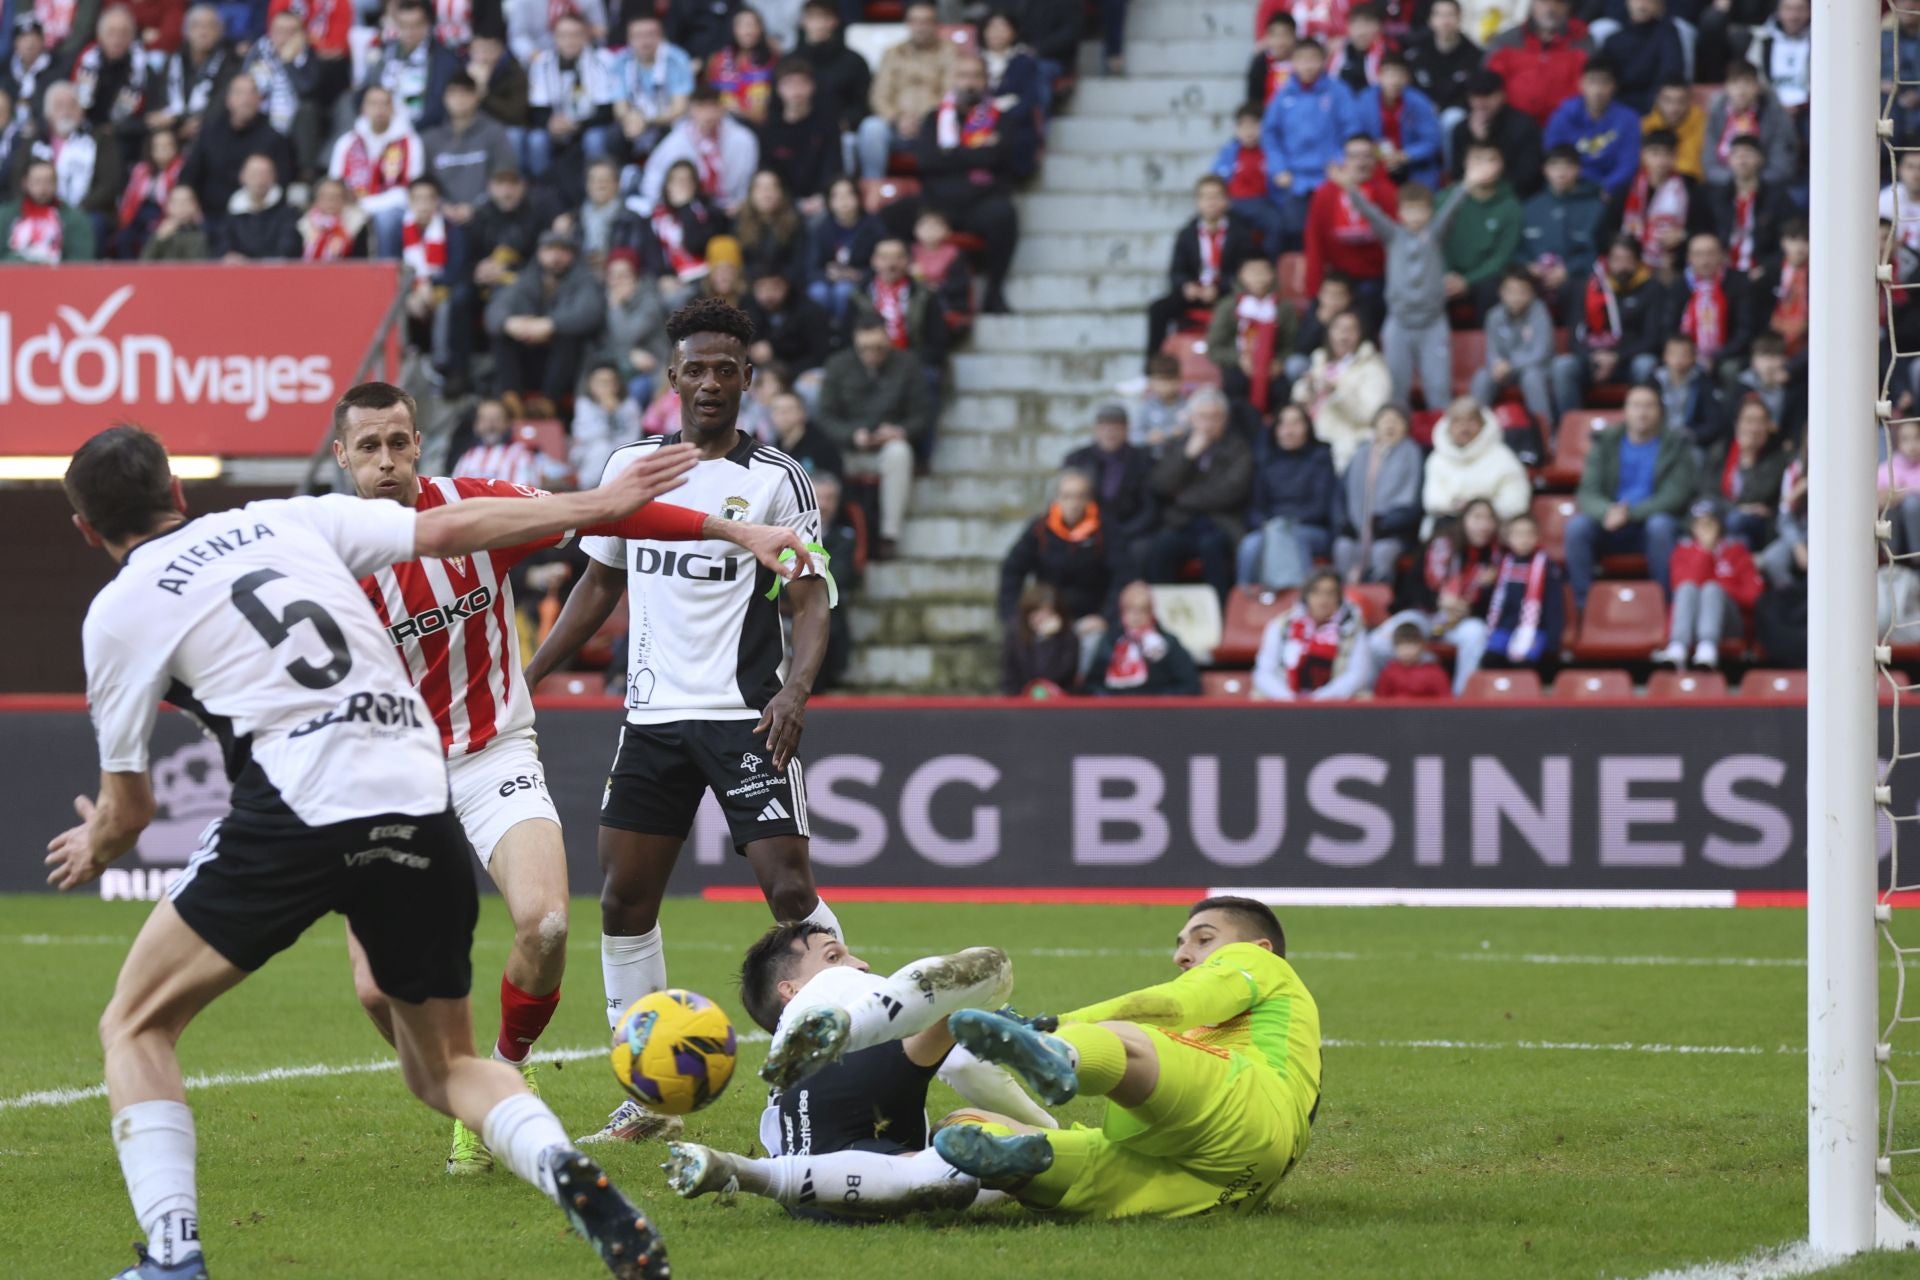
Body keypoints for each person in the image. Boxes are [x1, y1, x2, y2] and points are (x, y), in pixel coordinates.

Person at [51, 424, 690, 1280]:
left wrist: (96, 842)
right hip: (415, 785)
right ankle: (569, 1173)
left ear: (87, 530)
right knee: (449, 1066)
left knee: (136, 1022)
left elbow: (131, 811)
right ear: (177, 491)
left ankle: (173, 1255)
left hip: (301, 798)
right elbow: (452, 528)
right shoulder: (287, 519)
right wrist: (601, 504)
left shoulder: (120, 611)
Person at [327, 381, 803, 1168]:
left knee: (547, 925)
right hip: (383, 777)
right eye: (369, 447)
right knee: (378, 990)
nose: (387, 461)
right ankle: (469, 1089)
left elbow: (605, 514)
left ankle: (505, 1072)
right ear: (342, 456)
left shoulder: (478, 510)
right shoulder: (324, 556)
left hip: (491, 753)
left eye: (399, 443)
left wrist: (730, 528)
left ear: (419, 445)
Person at [523, 296, 841, 1146]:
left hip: (745, 716)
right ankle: (650, 1094)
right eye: (694, 369)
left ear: (747, 379)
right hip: (653, 716)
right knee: (624, 899)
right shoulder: (630, 466)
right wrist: (530, 676)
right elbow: (598, 585)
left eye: (724, 369)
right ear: (671, 378)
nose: (708, 382)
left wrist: (796, 691)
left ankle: (842, 1052)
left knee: (789, 892)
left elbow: (810, 599)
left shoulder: (779, 479)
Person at [753, 898, 1319, 1224]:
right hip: (1230, 1189)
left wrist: (1055, 1026)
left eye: (1203, 938)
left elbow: (1178, 1004)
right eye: (1184, 941)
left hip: (1244, 1116)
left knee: (1122, 1053)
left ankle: (1043, 1084)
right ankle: (1007, 1136)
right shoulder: (844, 1010)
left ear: (1258, 948)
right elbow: (1176, 1005)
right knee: (977, 1130)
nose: (1182, 953)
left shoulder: (1263, 966)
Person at [665, 923, 1053, 1217]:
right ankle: (852, 1028)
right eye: (834, 955)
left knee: (947, 1174)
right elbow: (966, 1064)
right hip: (857, 1078)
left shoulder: (801, 1037)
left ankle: (749, 1173)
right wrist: (1043, 1122)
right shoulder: (826, 988)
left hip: (816, 1169)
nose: (859, 965)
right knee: (991, 965)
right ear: (791, 990)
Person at [1333, 159, 1465, 410]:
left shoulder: (1435, 235)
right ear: (1400, 213)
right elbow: (1370, 212)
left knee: (1438, 390)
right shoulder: (1392, 235)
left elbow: (1451, 210)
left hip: (1432, 324)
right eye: (1409, 210)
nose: (1415, 216)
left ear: (1430, 212)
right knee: (1395, 390)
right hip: (1399, 323)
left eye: (1421, 210)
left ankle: (1440, 444)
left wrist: (1467, 185)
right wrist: (1350, 188)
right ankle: (1400, 443)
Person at [899, 52, 1021, 313]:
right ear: (953, 79)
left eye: (976, 76)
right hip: (938, 203)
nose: (969, 82)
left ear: (986, 81)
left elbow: (1002, 159)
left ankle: (994, 293)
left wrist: (951, 153)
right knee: (891, 214)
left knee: (1004, 215)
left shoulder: (1001, 118)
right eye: (963, 76)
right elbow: (926, 161)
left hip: (980, 202)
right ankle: (901, 288)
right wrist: (976, 154)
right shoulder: (935, 118)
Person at [1566, 382, 1697, 605]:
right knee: (1577, 527)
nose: (1642, 412)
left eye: (1649, 406)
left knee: (1661, 526)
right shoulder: (1605, 441)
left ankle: (1665, 606)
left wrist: (1629, 514)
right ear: (1625, 411)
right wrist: (1607, 511)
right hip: (1610, 524)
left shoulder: (1675, 444)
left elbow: (1675, 495)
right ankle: (1584, 608)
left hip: (1648, 526)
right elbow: (1587, 491)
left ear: (1660, 412)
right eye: (1636, 405)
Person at [1144, 389, 1253, 600]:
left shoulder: (1238, 448)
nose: (1208, 423)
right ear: (1191, 418)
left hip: (1221, 524)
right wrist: (1188, 456)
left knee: (1211, 547)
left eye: (1215, 417)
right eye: (1203, 417)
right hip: (1181, 523)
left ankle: (1219, 614)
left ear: (1225, 419)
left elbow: (1230, 492)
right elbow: (1160, 485)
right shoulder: (1177, 446)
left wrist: (1181, 498)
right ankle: (1165, 614)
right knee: (1161, 546)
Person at [1146, 174, 1259, 367]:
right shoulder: (1187, 233)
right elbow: (1176, 271)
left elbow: (1244, 271)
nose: (1211, 203)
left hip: (1226, 295)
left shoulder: (1241, 233)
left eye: (1216, 196)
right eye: (1206, 197)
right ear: (1197, 202)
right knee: (1158, 309)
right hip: (1195, 293)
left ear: (1226, 200)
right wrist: (1186, 286)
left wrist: (1221, 287)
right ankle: (1152, 370)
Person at [486, 227, 607, 407]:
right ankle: (511, 399)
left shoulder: (585, 280)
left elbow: (589, 313)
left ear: (572, 255)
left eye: (562, 251)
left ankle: (548, 403)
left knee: (568, 337)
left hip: (568, 364)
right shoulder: (526, 279)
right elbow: (494, 312)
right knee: (502, 337)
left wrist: (550, 325)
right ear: (539, 253)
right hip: (529, 356)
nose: (556, 257)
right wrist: (510, 323)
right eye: (550, 250)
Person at [1550, 234, 1667, 411]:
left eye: (1628, 259)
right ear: (1607, 261)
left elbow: (1652, 339)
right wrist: (1594, 357)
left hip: (1628, 361)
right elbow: (1575, 337)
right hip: (1592, 360)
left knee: (1646, 364)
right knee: (1563, 366)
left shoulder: (1652, 289)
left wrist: (1617, 357)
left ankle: (1643, 425)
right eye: (1617, 259)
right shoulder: (1589, 288)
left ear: (1638, 261)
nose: (1622, 266)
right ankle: (1568, 427)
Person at [1259, 38, 1355, 248]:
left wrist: (1341, 162)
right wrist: (1279, 168)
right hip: (1295, 179)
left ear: (1323, 61)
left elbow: (1352, 130)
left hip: (1331, 176)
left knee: (1333, 234)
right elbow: (1269, 134)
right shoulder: (1283, 94)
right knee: (1296, 235)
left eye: (1313, 59)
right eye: (1302, 60)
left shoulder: (1338, 91)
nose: (1308, 66)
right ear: (1294, 62)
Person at [1237, 404, 1337, 589]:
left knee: (1288, 537)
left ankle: (1296, 598)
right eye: (1282, 424)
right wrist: (1270, 524)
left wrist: (1286, 523)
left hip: (1310, 528)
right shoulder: (1265, 459)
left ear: (1307, 427)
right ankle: (1246, 601)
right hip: (1270, 527)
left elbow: (1321, 506)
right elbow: (1255, 507)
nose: (1288, 430)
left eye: (1295, 423)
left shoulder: (1321, 457)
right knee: (1250, 545)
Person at [999, 467, 1111, 630]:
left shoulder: (1104, 530)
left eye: (1080, 496)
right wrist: (1015, 617)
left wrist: (1105, 617)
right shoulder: (1040, 529)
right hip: (1047, 615)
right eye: (1067, 496)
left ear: (1089, 500)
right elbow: (1012, 569)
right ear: (1056, 499)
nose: (1073, 504)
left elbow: (1121, 575)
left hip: (1090, 618)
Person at [1653, 502, 1761, 669]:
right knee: (1688, 588)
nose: (1704, 529)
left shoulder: (1737, 551)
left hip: (1729, 622)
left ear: (1720, 526)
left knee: (1711, 589)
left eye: (1709, 524)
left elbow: (1754, 596)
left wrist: (1720, 588)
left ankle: (1708, 646)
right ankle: (1677, 646)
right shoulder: (1682, 551)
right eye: (1698, 524)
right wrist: (1705, 552)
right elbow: (1682, 586)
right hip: (1690, 621)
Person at [856, 0, 952, 180]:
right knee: (871, 127)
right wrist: (897, 119)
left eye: (926, 21)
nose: (920, 27)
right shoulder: (892, 52)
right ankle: (872, 185)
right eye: (915, 21)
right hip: (895, 125)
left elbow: (951, 93)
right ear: (907, 24)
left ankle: (938, 192)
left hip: (933, 125)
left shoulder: (949, 52)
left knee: (949, 130)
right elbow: (879, 95)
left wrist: (924, 119)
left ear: (936, 24)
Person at [524, 13, 614, 202]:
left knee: (595, 139)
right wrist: (551, 124)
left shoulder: (602, 61)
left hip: (588, 126)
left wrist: (577, 124)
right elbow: (537, 109)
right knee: (536, 140)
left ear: (586, 36)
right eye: (563, 35)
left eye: (575, 34)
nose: (569, 41)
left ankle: (596, 192)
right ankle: (542, 195)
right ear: (555, 37)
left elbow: (606, 109)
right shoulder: (542, 63)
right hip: (555, 127)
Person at [16, 79, 122, 236]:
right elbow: (18, 178)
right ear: (48, 113)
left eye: (72, 105)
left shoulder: (100, 140)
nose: (66, 111)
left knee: (93, 223)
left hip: (86, 211)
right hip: (37, 207)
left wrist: (76, 211)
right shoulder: (33, 142)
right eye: (59, 106)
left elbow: (109, 184)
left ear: (81, 112)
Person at [327, 83, 422, 258]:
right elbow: (334, 185)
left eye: (384, 103)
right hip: (351, 206)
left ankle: (385, 277)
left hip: (393, 208)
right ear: (363, 108)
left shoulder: (410, 142)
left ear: (393, 108)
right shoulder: (346, 143)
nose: (379, 110)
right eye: (373, 103)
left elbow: (412, 189)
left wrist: (367, 206)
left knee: (386, 221)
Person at [1302, 132, 1396, 306]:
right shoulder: (1324, 194)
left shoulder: (1388, 192)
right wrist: (1314, 289)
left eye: (1367, 156)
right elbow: (1314, 241)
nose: (1361, 162)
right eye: (1354, 156)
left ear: (1375, 161)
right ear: (1344, 160)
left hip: (1376, 278)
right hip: (1338, 279)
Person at [1333, 404, 1423, 583]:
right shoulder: (1361, 453)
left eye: (1397, 421)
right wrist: (1344, 521)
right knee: (1343, 547)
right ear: (1375, 425)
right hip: (1358, 528)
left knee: (1383, 552)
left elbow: (1414, 500)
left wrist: (1388, 523)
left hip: (1393, 532)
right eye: (1385, 420)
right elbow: (1341, 494)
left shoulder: (1411, 453)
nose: (1390, 425)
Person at [1291, 309, 1390, 471]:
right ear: (1329, 332)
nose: (1343, 335)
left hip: (1346, 445)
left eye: (1350, 329)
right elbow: (1298, 401)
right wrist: (1306, 388)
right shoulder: (1319, 359)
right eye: (1338, 328)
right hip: (1310, 442)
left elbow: (1372, 414)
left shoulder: (1374, 368)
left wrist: (1336, 394)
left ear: (1361, 335)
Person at [1253, 568, 1373, 699]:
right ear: (1306, 595)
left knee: (1364, 696)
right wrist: (1289, 700)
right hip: (1285, 700)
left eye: (1330, 593)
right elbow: (1264, 672)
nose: (1323, 599)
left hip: (1335, 704)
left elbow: (1358, 674)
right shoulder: (1282, 625)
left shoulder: (1353, 627)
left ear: (1339, 598)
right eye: (1316, 592)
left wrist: (1318, 700)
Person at [637, 85, 757, 216]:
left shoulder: (743, 140)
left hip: (732, 210)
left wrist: (742, 203)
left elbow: (749, 180)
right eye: (702, 107)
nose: (708, 114)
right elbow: (652, 181)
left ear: (722, 109)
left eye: (713, 107)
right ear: (691, 110)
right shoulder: (674, 142)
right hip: (689, 211)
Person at [1064, 403, 1158, 571]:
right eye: (1105, 427)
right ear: (1096, 430)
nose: (1110, 433)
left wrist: (1122, 533)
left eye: (1116, 427)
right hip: (1088, 527)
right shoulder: (1077, 459)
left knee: (1142, 551)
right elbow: (1066, 502)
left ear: (1127, 430)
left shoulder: (1143, 460)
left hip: (1129, 530)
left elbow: (1150, 508)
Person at [1521, 143, 1606, 321]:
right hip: (1534, 277)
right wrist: (1530, 268)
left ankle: (1576, 341)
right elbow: (1517, 250)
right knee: (1514, 286)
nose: (1561, 172)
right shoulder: (1530, 207)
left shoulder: (1595, 207)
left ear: (1578, 169)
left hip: (1575, 278)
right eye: (1554, 165)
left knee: (1578, 287)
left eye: (1568, 166)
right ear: (1544, 170)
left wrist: (1568, 270)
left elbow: (1598, 252)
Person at [1442, 141, 1524, 318]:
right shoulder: (1445, 199)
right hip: (1446, 275)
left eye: (1491, 160)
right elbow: (1433, 241)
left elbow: (1502, 257)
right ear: (1465, 163)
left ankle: (1491, 343)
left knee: (1493, 288)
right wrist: (1445, 274)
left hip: (1483, 278)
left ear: (1501, 165)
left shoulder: (1510, 206)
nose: (1484, 166)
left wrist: (1467, 281)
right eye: (1477, 159)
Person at [423, 70, 517, 226]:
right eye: (454, 94)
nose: (459, 100)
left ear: (476, 97)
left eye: (465, 94)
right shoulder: (429, 139)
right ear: (445, 98)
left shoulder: (495, 133)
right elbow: (424, 183)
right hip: (440, 218)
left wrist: (475, 208)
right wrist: (442, 206)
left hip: (487, 217)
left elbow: (505, 176)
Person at [1205, 255, 1297, 414]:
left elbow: (1292, 343)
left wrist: (1279, 361)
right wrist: (1238, 359)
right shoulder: (1228, 306)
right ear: (1241, 276)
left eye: (1263, 272)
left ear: (1272, 275)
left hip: (1272, 366)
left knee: (1283, 389)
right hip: (1238, 365)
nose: (1258, 278)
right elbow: (1215, 346)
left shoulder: (1284, 308)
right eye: (1253, 272)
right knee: (1234, 385)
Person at [1483, 0, 1591, 129]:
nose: (1551, 9)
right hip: (1512, 127)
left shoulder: (1582, 41)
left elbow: (1591, 86)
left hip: (1568, 126)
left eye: (1558, 3)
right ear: (1532, 5)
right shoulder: (1507, 41)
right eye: (1544, 2)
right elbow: (1488, 85)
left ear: (1567, 8)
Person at [1543, 58, 1640, 200]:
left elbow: (1628, 164)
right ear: (1581, 84)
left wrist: (1605, 187)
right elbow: (1553, 157)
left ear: (1614, 86)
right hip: (1570, 186)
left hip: (1610, 191)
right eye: (1592, 82)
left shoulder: (1629, 119)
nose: (1598, 90)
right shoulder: (1562, 116)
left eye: (1604, 83)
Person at [1481, 511, 1566, 672]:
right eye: (1518, 534)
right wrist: (1486, 586)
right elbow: (1493, 601)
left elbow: (1554, 606)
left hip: (1536, 629)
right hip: (1504, 627)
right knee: (1490, 659)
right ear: (1508, 538)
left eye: (1529, 534)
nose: (1524, 539)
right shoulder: (1502, 564)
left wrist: (1554, 639)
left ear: (1537, 537)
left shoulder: (1547, 566)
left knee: (1522, 665)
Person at [1086, 581, 1202, 697]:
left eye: (1142, 610)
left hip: (1157, 712)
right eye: (1130, 609)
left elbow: (1190, 686)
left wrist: (1158, 700)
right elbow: (1092, 685)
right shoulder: (1110, 642)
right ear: (1121, 613)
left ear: (1152, 612)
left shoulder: (1168, 643)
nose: (1136, 616)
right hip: (1113, 711)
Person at [1423, 396, 1529, 523]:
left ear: (1483, 424)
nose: (1464, 427)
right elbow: (1432, 499)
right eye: (1457, 421)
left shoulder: (1503, 457)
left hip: (1492, 526)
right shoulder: (1437, 459)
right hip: (1448, 524)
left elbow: (1516, 502)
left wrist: (1482, 510)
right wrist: (1453, 505)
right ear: (1448, 426)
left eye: (1471, 420)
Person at [1472, 268, 1556, 427]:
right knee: (1482, 376)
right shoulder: (1494, 316)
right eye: (1510, 291)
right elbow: (1492, 351)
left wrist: (1510, 365)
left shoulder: (1540, 312)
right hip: (1504, 372)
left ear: (1532, 293)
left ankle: (1545, 431)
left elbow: (1540, 353)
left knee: (1532, 377)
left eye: (1522, 291)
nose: (1515, 297)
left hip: (1536, 369)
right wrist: (1497, 364)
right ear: (1501, 292)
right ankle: (1475, 427)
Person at [361, 0, 461, 132]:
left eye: (415, 26)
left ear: (427, 24)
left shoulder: (444, 60)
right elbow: (367, 90)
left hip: (423, 130)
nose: (409, 32)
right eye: (403, 26)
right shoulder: (384, 52)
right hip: (381, 128)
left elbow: (438, 108)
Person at [1703, 395, 1788, 550]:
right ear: (1737, 424)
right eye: (1749, 421)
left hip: (1761, 528)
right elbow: (1708, 493)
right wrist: (1738, 508)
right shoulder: (1721, 451)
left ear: (1768, 426)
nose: (1754, 428)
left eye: (1760, 422)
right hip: (1722, 519)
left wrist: (1748, 458)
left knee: (1737, 522)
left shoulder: (1777, 458)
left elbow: (1757, 495)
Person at [1614, 127, 1702, 274]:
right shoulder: (1627, 188)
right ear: (1643, 155)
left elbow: (1704, 230)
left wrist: (1683, 235)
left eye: (1667, 154)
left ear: (1675, 157)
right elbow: (1609, 230)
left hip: (1678, 264)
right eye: (1655, 154)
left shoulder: (1690, 189)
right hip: (1631, 266)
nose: (1661, 161)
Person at [758, 56, 841, 212]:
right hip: (781, 202)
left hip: (819, 201)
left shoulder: (827, 124)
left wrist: (822, 197)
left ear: (812, 86)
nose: (796, 90)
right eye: (789, 84)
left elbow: (833, 167)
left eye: (802, 83)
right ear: (778, 89)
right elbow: (767, 171)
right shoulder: (769, 127)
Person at [1448, 68, 1544, 199]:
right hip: (1473, 196)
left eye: (1487, 95)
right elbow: (1458, 173)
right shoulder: (1461, 129)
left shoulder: (1523, 125)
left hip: (1515, 196)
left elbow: (1528, 174)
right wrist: (1477, 140)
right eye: (1475, 96)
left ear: (1501, 95)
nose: (1481, 103)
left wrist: (1486, 141)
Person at [610, 14, 693, 160]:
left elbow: (680, 108)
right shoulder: (621, 61)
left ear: (661, 36)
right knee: (611, 135)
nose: (645, 41)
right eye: (638, 36)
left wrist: (647, 121)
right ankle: (625, 174)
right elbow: (619, 107)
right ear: (629, 39)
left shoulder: (677, 59)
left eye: (650, 35)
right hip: (635, 122)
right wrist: (630, 118)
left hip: (667, 121)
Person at [1703, 60, 1797, 190]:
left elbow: (1782, 166)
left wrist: (1752, 183)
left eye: (1747, 83)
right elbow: (1709, 165)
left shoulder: (1774, 114)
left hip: (1766, 188)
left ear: (1757, 87)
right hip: (1724, 186)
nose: (1741, 91)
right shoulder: (1717, 114)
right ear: (1727, 87)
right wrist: (1735, 183)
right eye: (1735, 83)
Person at [1706, 134, 1787, 283]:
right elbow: (1706, 234)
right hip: (1722, 273)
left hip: (1762, 273)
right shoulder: (1716, 198)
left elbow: (1786, 239)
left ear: (1760, 158)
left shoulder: (1776, 198)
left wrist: (1768, 268)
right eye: (1736, 154)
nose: (1742, 160)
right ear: (1729, 160)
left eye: (1748, 153)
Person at [1353, 53, 1442, 189]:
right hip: (1375, 162)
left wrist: (1404, 156)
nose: (1394, 81)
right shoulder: (1364, 101)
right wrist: (1378, 155)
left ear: (1407, 78)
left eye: (1399, 75)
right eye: (1389, 75)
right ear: (1379, 76)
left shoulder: (1420, 103)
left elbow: (1431, 142)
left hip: (1413, 165)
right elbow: (1357, 135)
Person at [150, 5, 233, 144]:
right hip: (171, 134)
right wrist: (178, 125)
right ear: (186, 31)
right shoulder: (172, 61)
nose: (203, 32)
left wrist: (183, 121)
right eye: (197, 26)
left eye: (210, 26)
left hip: (208, 134)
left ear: (219, 32)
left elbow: (221, 106)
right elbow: (160, 101)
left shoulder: (229, 64)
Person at [806, 173, 883, 321]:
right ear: (829, 201)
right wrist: (829, 275)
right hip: (828, 282)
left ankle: (843, 334)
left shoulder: (874, 226)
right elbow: (811, 269)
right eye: (837, 196)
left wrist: (857, 275)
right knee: (817, 292)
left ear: (858, 198)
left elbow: (882, 264)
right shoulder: (820, 228)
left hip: (862, 281)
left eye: (849, 194)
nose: (843, 201)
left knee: (844, 290)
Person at [791, 0, 870, 143]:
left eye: (824, 18)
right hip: (798, 130)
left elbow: (863, 103)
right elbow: (777, 105)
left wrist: (845, 122)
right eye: (813, 18)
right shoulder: (789, 62)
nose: (819, 24)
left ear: (834, 22)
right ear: (803, 21)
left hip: (841, 132)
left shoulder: (854, 61)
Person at [1212, 102, 1286, 254]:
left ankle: (1268, 261)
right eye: (1244, 127)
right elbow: (1216, 177)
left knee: (1277, 224)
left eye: (1255, 126)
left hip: (1262, 203)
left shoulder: (1270, 153)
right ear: (1236, 129)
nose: (1249, 132)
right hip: (1234, 203)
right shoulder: (1229, 152)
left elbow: (1280, 180)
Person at [1404, 0, 1480, 138]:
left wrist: (1442, 107)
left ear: (1459, 19)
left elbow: (1470, 92)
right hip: (1420, 108)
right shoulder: (1416, 51)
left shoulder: (1474, 55)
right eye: (1439, 15)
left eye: (1450, 14)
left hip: (1454, 111)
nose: (1445, 20)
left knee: (1451, 119)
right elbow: (1409, 86)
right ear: (1430, 20)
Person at [0, 155, 94, 259]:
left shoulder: (75, 219)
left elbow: (80, 261)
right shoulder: (5, 216)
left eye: (48, 181)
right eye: (37, 181)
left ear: (56, 183)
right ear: (25, 183)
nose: (43, 188)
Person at [1600, 0, 1684, 116]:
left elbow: (1670, 74)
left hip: (1655, 109)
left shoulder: (1667, 33)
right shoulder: (1612, 41)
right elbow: (1605, 79)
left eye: (1649, 1)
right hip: (1617, 110)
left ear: (1658, 4)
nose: (1642, 5)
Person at [214, 150, 299, 258]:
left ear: (274, 176)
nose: (259, 179)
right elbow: (222, 246)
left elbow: (288, 249)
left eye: (264, 174)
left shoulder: (287, 212)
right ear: (242, 176)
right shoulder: (232, 213)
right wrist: (229, 256)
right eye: (254, 173)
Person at [1653, 331, 1725, 454]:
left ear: (1693, 357)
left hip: (1690, 442)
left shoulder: (1703, 383)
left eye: (1684, 354)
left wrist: (1692, 435)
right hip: (1657, 438)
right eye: (1674, 354)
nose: (1678, 359)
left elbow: (1714, 422)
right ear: (1665, 356)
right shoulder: (1653, 382)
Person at [735, 166, 808, 286]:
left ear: (781, 192)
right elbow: (737, 265)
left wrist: (780, 283)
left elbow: (799, 264)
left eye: (772, 187)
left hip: (787, 289)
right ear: (751, 193)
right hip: (749, 289)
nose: (766, 193)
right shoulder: (738, 224)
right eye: (760, 188)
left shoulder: (796, 223)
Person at [706, 6, 773, 125]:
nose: (747, 31)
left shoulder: (772, 59)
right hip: (722, 125)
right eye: (741, 25)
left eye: (752, 25)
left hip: (760, 126)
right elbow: (708, 98)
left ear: (761, 29)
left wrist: (742, 111)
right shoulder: (717, 60)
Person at [1643, 78, 1704, 181]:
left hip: (1690, 183)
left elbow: (1695, 168)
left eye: (1681, 101)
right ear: (1657, 100)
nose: (1674, 108)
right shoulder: (1645, 126)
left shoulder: (1702, 123)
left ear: (1689, 101)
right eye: (1667, 100)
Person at [1373, 620, 1450, 698]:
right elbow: (1380, 699)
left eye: (1411, 645)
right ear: (1394, 648)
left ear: (1422, 646)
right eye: (1402, 645)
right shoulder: (1388, 672)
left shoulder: (1435, 673)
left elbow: (1445, 701)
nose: (1407, 651)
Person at [1883, 418, 1920, 559]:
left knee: (1911, 504)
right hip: (1896, 539)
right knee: (1897, 505)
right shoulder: (1888, 468)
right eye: (1906, 439)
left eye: (1917, 438)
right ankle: (1892, 555)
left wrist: (1903, 491)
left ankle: (1917, 558)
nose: (1912, 445)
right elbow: (1883, 499)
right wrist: (1910, 491)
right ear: (1897, 443)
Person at [139, 181, 207, 257]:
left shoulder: (203, 233)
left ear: (195, 205)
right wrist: (159, 239)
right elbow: (143, 264)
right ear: (167, 206)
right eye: (176, 201)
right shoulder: (157, 232)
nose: (181, 206)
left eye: (186, 201)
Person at [1246, 10, 1297, 111]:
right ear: (1268, 38)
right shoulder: (1260, 64)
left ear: (1294, 37)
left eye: (1286, 35)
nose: (1281, 42)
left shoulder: (1301, 64)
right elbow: (1254, 100)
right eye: (1276, 36)